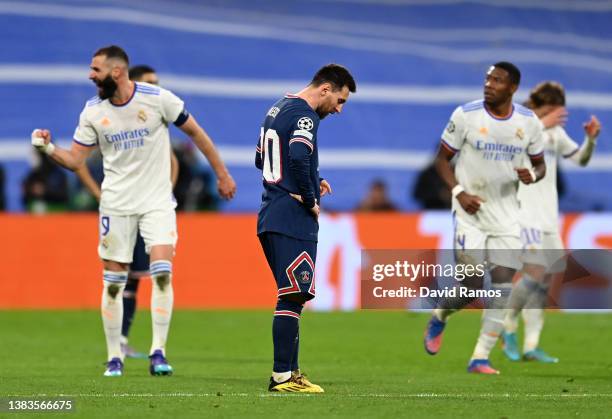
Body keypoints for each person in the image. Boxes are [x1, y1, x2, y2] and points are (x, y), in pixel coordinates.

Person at [31, 45, 236, 377]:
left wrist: (222, 174)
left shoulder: (158, 99)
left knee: (162, 273)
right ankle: (115, 357)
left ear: (116, 72)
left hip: (156, 203)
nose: (90, 75)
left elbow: (197, 134)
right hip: (117, 206)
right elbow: (75, 161)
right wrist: (49, 147)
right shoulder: (93, 112)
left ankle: (158, 352)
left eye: (95, 69)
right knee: (113, 283)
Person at [422, 62, 546, 374]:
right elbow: (440, 161)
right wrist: (460, 191)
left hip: (506, 217)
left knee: (503, 285)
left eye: (497, 80)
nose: (489, 84)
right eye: (487, 79)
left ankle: (480, 357)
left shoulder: (528, 123)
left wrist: (532, 174)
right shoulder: (466, 115)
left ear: (513, 88)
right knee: (472, 284)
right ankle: (439, 317)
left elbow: (540, 165)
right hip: (469, 213)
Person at [256, 64, 356, 392]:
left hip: (271, 213)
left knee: (293, 295)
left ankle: (291, 372)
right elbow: (298, 157)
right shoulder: (305, 116)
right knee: (292, 294)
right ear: (325, 89)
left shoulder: (278, 107)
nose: (339, 109)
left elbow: (262, 158)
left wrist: (315, 176)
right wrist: (310, 197)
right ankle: (282, 376)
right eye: (339, 100)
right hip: (291, 217)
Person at [74, 64, 179, 359]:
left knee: (145, 275)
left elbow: (173, 162)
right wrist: (99, 194)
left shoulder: (155, 120)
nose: (155, 87)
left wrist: (162, 194)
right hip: (122, 206)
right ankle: (118, 343)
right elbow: (78, 159)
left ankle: (128, 341)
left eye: (157, 82)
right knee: (124, 278)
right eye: (150, 82)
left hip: (150, 206)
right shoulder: (113, 118)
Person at [501, 81, 601, 363]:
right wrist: (543, 122)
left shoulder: (554, 133)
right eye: (552, 111)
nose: (557, 117)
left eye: (559, 112)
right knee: (534, 271)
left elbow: (580, 160)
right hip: (524, 215)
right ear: (539, 107)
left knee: (545, 279)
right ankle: (507, 326)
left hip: (548, 216)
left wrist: (590, 140)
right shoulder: (520, 125)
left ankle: (531, 345)